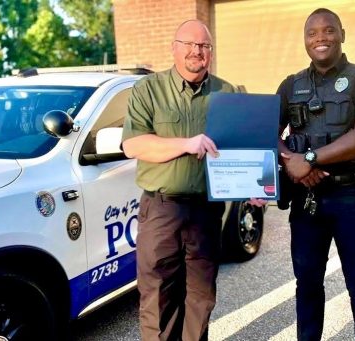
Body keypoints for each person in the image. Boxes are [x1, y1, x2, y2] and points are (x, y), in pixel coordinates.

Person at [277, 8, 355, 340]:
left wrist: (309, 158)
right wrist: (290, 161)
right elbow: (266, 131)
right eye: (312, 33)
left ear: (342, 33)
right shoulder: (290, 85)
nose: (320, 39)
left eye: (328, 31)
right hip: (307, 200)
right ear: (305, 40)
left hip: (351, 196)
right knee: (307, 284)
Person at [121, 20, 237, 341]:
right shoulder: (148, 90)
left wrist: (256, 185)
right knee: (157, 297)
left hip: (206, 210)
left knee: (200, 297)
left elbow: (243, 145)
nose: (195, 51)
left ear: (210, 52)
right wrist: (187, 144)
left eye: (203, 46)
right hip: (162, 209)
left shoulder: (227, 93)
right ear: (174, 47)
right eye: (188, 44)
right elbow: (134, 144)